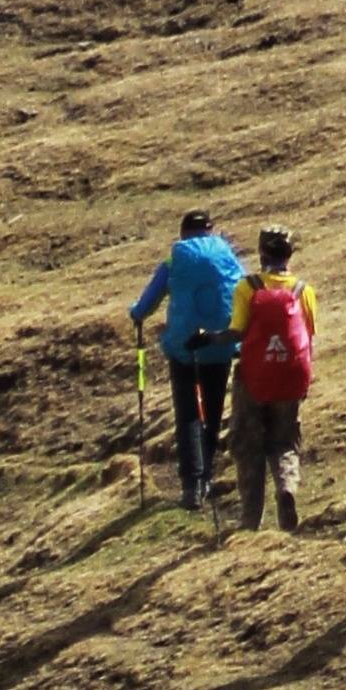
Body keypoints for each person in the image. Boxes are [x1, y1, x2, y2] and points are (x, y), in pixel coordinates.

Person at [129, 206, 243, 517]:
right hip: (219, 344)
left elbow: (148, 302)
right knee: (212, 410)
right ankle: (207, 476)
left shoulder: (174, 259)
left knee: (189, 414)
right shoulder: (228, 255)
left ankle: (192, 486)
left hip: (184, 349)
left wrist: (136, 314)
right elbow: (244, 288)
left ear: (183, 233)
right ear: (210, 230)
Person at [230, 228, 315, 532]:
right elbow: (309, 335)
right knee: (285, 441)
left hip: (253, 379)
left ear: (262, 253)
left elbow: (237, 331)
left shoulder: (248, 287)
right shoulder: (303, 290)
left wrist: (204, 339)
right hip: (291, 377)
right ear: (289, 255)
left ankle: (250, 518)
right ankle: (287, 488)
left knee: (247, 444)